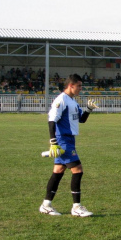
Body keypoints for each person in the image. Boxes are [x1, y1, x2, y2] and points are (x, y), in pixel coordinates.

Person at [39, 74, 99, 217]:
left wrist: (89, 109)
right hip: (63, 140)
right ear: (71, 85)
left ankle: (46, 205)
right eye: (79, 86)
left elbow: (81, 120)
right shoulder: (61, 100)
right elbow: (52, 120)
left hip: (70, 139)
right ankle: (76, 207)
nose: (80, 89)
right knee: (77, 170)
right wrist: (53, 142)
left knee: (58, 171)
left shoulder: (73, 101)